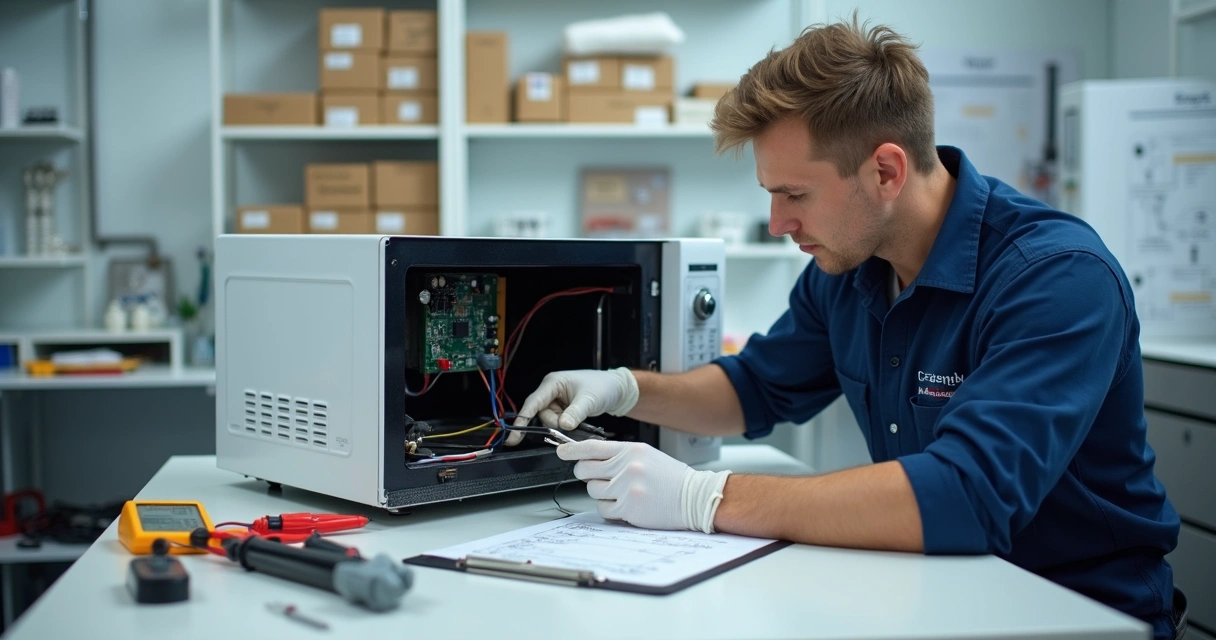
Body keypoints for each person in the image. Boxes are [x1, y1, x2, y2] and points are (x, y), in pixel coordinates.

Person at [510, 14, 1183, 640]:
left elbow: (965, 497)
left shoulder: (1057, 278)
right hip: (940, 593)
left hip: (1074, 614)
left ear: (885, 170)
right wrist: (625, 388)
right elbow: (755, 387)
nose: (777, 224)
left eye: (793, 194)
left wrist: (702, 497)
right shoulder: (852, 269)